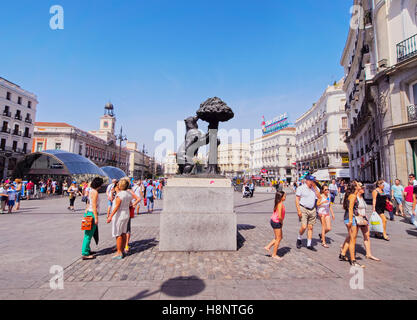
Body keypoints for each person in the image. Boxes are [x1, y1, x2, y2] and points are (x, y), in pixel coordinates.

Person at [107, 179, 136, 260]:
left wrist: (110, 216)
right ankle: (122, 250)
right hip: (126, 214)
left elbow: (116, 207)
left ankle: (119, 252)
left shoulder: (120, 195)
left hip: (119, 215)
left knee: (118, 234)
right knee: (123, 233)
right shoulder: (128, 194)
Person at [339, 181, 364, 267]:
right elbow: (350, 209)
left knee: (350, 237)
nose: (360, 185)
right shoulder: (353, 196)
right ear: (355, 187)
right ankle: (353, 260)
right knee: (353, 240)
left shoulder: (352, 195)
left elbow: (352, 209)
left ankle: (342, 254)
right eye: (358, 185)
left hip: (351, 217)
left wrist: (359, 215)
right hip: (350, 218)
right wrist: (350, 220)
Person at [295, 175, 321, 251]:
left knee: (310, 227)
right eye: (310, 180)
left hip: (312, 209)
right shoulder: (301, 188)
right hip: (303, 208)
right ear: (306, 180)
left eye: (313, 181)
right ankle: (299, 238)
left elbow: (319, 197)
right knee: (303, 226)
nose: (311, 182)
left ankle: (309, 244)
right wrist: (298, 210)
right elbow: (297, 200)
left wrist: (315, 188)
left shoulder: (315, 189)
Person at [81, 177, 104, 260]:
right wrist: (96, 217)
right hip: (92, 214)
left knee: (88, 234)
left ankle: (87, 250)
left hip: (88, 213)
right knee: (88, 235)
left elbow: (88, 203)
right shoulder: (95, 192)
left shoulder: (90, 191)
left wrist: (86, 212)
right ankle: (85, 253)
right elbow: (94, 205)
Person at [357, 182, 380, 261]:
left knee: (367, 236)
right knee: (351, 237)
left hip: (364, 219)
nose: (364, 189)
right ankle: (343, 247)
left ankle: (368, 254)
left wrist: (365, 216)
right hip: (357, 219)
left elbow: (363, 208)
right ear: (358, 189)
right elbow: (352, 210)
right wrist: (360, 215)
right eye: (362, 188)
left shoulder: (362, 198)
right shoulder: (355, 197)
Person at [264, 191, 286, 260]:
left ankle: (268, 246)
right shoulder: (280, 204)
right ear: (281, 197)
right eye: (284, 196)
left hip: (274, 221)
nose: (285, 197)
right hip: (276, 222)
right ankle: (274, 254)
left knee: (279, 237)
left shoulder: (279, 203)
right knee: (278, 238)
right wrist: (281, 222)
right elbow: (279, 216)